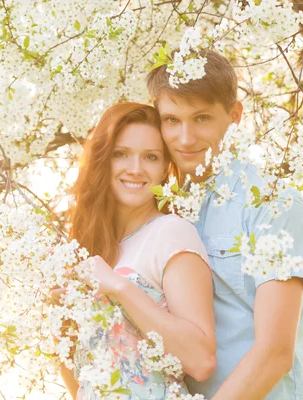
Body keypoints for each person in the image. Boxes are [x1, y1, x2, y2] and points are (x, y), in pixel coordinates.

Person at [146, 50, 303, 399]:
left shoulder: (270, 203)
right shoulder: (165, 212)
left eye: (202, 118)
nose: (185, 138)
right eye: (172, 120)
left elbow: (275, 353)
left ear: (234, 115)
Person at [53, 102, 216, 399]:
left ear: (165, 167)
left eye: (151, 157)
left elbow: (201, 360)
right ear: (103, 160)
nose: (136, 169)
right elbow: (77, 370)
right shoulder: (87, 247)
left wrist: (118, 287)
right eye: (121, 154)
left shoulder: (170, 233)